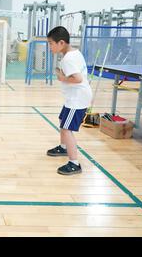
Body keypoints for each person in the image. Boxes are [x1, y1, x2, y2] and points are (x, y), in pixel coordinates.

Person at [46, 26, 92, 175]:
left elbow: (77, 78)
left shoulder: (68, 58)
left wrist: (62, 78)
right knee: (62, 120)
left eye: (51, 44)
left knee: (67, 129)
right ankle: (63, 148)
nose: (49, 47)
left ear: (61, 43)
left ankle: (74, 163)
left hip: (77, 100)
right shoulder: (74, 53)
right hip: (73, 97)